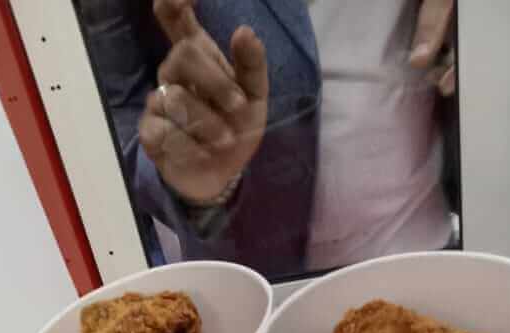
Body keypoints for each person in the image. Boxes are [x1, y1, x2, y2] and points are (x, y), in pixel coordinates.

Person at [78, 0, 457, 278]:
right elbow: (111, 113)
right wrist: (186, 175)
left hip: (425, 244)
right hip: (244, 280)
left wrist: (480, 32)